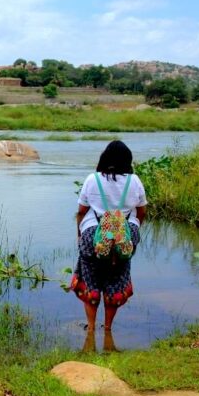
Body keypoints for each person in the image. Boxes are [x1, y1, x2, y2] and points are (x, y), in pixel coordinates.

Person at [71, 140, 147, 346]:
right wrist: (132, 230)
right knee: (116, 278)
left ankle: (92, 328)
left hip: (92, 234)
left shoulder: (92, 179)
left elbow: (81, 211)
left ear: (104, 158)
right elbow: (142, 212)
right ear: (127, 161)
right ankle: (108, 330)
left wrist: (80, 233)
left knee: (91, 280)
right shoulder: (135, 181)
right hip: (124, 236)